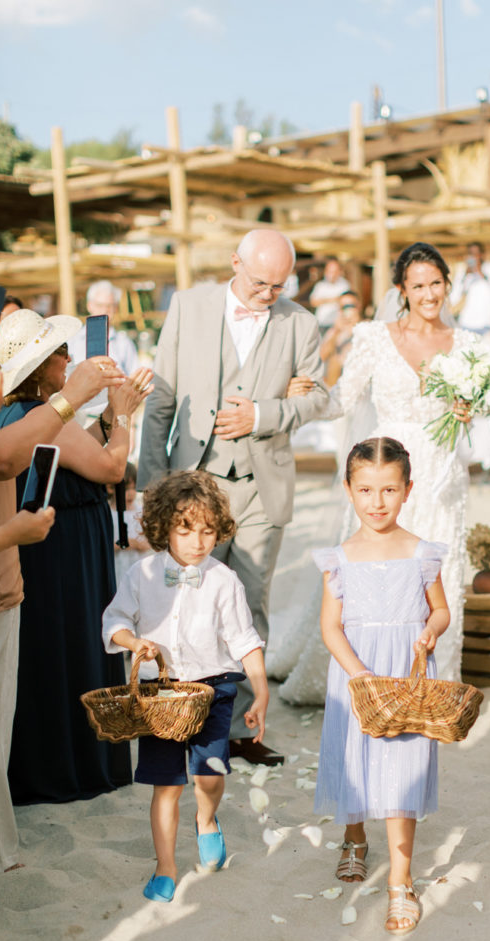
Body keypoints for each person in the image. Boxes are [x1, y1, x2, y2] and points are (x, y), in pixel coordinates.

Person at [137, 228, 328, 766]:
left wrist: (263, 414)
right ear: (234, 264)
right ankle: (183, 719)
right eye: (260, 283)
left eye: (279, 286)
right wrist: (150, 486)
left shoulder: (301, 322)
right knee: (188, 601)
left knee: (250, 602)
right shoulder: (188, 306)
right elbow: (162, 400)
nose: (269, 294)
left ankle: (243, 730)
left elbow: (318, 400)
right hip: (195, 483)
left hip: (263, 487)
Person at [278, 242, 475, 692]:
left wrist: (467, 412)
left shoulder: (465, 345)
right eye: (418, 286)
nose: (429, 294)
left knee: (438, 575)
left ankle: (432, 685)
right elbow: (340, 402)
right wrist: (305, 392)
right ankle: (365, 674)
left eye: (436, 283)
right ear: (402, 290)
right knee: (371, 573)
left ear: (447, 284)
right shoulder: (374, 338)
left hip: (441, 475)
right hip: (384, 469)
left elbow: (469, 411)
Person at [0, 337, 123, 881]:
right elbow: (106, 468)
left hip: (8, 575)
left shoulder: (8, 416)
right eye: (59, 354)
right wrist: (7, 535)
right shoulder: (29, 416)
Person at [0, 308, 154, 804]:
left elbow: (82, 449)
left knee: (52, 650)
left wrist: (107, 417)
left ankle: (54, 761)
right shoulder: (42, 417)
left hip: (54, 548)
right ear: (41, 366)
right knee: (69, 645)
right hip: (64, 554)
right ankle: (72, 767)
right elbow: (110, 468)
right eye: (61, 352)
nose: (69, 358)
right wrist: (123, 414)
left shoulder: (23, 416)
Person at [102, 470, 269, 903]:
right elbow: (114, 620)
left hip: (214, 690)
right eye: (186, 529)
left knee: (208, 777)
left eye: (208, 531)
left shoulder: (224, 580)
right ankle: (166, 867)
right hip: (160, 695)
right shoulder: (141, 574)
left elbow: (244, 639)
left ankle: (207, 819)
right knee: (167, 784)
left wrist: (262, 691)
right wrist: (134, 642)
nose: (198, 541)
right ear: (163, 527)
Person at [314, 438, 448, 934]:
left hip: (405, 676)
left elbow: (440, 609)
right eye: (366, 490)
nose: (377, 502)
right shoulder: (340, 558)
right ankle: (354, 835)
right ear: (348, 489)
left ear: (408, 490)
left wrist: (431, 631)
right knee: (356, 761)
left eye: (389, 490)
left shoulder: (421, 553)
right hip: (358, 674)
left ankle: (400, 880)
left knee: (401, 770)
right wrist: (359, 674)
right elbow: (330, 627)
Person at [67, 280, 140, 421]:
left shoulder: (124, 343)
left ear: (116, 308)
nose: (105, 310)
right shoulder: (73, 341)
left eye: (110, 306)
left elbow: (134, 385)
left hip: (114, 418)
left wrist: (130, 424)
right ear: (89, 305)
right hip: (79, 418)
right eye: (100, 305)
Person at [449, 242, 490, 334]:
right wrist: (465, 277)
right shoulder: (463, 273)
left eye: (476, 253)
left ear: (483, 255)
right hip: (467, 324)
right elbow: (453, 299)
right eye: (471, 254)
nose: (474, 257)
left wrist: (483, 276)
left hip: (489, 324)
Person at [319, 290, 362, 385]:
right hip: (335, 381)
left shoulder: (365, 327)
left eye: (350, 306)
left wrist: (355, 326)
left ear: (358, 306)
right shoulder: (335, 330)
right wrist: (337, 331)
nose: (347, 310)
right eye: (343, 307)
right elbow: (321, 358)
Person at [309, 257, 351, 333]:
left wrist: (323, 300)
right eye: (329, 271)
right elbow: (313, 302)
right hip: (322, 322)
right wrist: (333, 299)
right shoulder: (320, 285)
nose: (332, 274)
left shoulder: (344, 285)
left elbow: (346, 302)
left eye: (334, 271)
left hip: (337, 325)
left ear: (339, 271)